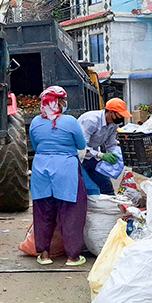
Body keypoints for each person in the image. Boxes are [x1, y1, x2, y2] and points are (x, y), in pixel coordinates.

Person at [29, 86, 88, 266]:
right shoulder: (70, 122)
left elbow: (35, 145)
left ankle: (45, 256)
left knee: (43, 213)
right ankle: (72, 257)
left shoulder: (35, 123)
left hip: (41, 171)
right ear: (60, 103)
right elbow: (81, 144)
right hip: (66, 171)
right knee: (71, 213)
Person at [77, 98, 132, 195]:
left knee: (106, 188)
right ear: (111, 112)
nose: (122, 118)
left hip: (93, 157)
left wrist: (117, 155)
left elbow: (111, 143)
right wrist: (101, 155)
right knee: (84, 188)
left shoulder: (114, 124)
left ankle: (111, 208)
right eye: (120, 115)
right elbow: (81, 147)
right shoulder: (91, 120)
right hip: (80, 158)